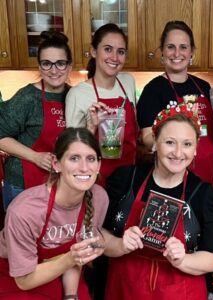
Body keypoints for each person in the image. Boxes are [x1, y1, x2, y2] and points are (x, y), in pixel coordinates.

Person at [102, 103, 213, 300]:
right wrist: (120, 245)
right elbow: (100, 233)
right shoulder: (126, 180)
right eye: (170, 142)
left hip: (181, 291)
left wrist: (182, 260)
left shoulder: (206, 196)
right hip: (125, 289)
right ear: (154, 142)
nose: (178, 153)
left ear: (196, 148)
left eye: (187, 144)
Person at [0, 127, 109, 299]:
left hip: (66, 271)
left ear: (99, 165)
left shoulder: (99, 198)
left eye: (91, 159)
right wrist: (71, 259)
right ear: (56, 164)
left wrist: (71, 296)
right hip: (17, 276)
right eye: (74, 158)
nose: (84, 167)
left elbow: (77, 256)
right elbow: (24, 280)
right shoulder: (24, 211)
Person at [136, 20, 213, 186]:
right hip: (174, 175)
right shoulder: (153, 90)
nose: (176, 53)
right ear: (162, 51)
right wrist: (173, 147)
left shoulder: (203, 86)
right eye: (170, 47)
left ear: (192, 51)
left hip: (209, 173)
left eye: (183, 47)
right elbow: (146, 136)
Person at [0, 31, 72, 209]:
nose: (54, 70)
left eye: (60, 63)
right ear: (39, 67)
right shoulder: (27, 97)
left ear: (69, 66)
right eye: (47, 64)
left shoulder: (74, 95)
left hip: (59, 185)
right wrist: (35, 157)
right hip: (22, 184)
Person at [66, 23, 137, 187]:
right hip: (96, 181)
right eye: (107, 49)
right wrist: (91, 127)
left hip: (130, 176)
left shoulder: (128, 82)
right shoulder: (78, 94)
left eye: (121, 52)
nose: (114, 57)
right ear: (93, 51)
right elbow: (72, 150)